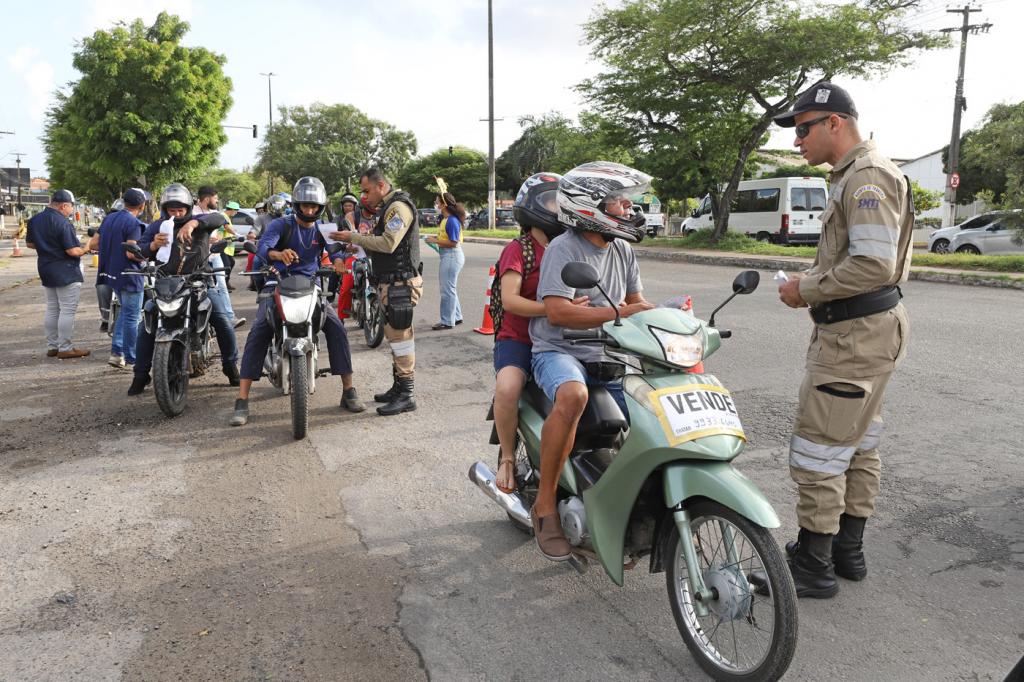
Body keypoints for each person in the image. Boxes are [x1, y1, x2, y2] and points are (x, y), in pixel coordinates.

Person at [773, 82, 913, 599]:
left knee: (821, 447)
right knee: (859, 442)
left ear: (836, 123)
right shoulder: (857, 173)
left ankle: (813, 563)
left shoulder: (867, 176)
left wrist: (804, 289)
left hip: (855, 335)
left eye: (803, 128)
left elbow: (872, 264)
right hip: (870, 330)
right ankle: (845, 550)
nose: (797, 141)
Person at [528, 161, 654, 561]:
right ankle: (545, 505)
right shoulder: (563, 249)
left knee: (655, 407)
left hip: (609, 351)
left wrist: (675, 318)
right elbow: (558, 313)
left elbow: (636, 303)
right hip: (559, 350)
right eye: (617, 201)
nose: (626, 209)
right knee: (573, 396)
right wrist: (616, 315)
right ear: (589, 205)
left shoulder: (623, 249)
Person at [229, 176, 365, 426]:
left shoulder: (323, 228)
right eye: (305, 206)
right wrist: (278, 253)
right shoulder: (281, 225)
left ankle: (349, 390)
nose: (310, 210)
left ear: (320, 207)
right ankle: (242, 399)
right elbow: (263, 247)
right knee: (259, 329)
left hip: (310, 284)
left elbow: (334, 250)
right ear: (296, 204)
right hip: (277, 282)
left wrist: (336, 261)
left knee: (336, 327)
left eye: (314, 207)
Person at [491, 172, 588, 494]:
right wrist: (554, 309)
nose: (559, 208)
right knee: (507, 388)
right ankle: (506, 457)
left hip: (564, 339)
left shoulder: (570, 248)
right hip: (519, 338)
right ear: (532, 207)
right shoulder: (519, 250)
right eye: (552, 201)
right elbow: (510, 300)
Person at [128, 183, 241, 395]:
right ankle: (141, 375)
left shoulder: (201, 222)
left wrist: (193, 224)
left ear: (189, 208)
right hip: (166, 285)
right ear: (164, 210)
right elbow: (138, 251)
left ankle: (230, 365)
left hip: (199, 282)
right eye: (172, 210)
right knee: (146, 325)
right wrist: (152, 246)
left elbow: (219, 219)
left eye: (181, 210)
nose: (177, 214)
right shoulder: (157, 227)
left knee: (223, 320)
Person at [332, 168, 423, 416]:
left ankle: (407, 394)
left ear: (381, 185)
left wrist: (356, 237)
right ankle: (398, 387)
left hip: (401, 284)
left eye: (366, 190)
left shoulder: (399, 207)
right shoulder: (388, 207)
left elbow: (388, 242)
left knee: (401, 338)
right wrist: (357, 245)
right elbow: (380, 241)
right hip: (391, 283)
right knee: (394, 335)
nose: (363, 197)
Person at [25, 189, 91, 359]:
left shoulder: (35, 220)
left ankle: (52, 346)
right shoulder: (62, 222)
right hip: (66, 270)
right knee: (67, 309)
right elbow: (72, 250)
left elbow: (30, 244)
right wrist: (87, 248)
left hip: (46, 267)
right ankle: (65, 347)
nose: (72, 210)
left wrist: (47, 246)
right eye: (71, 207)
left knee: (52, 308)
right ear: (63, 206)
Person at [89, 188, 147, 368]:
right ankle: (132, 358)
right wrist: (147, 256)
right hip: (129, 275)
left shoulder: (108, 218)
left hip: (111, 273)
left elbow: (95, 243)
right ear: (142, 205)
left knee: (125, 312)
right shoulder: (134, 224)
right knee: (132, 316)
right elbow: (131, 252)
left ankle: (117, 352)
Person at [424, 191, 465, 330]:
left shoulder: (452, 220)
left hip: (452, 255)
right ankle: (456, 316)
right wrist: (435, 241)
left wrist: (434, 240)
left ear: (444, 204)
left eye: (437, 202)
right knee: (450, 288)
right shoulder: (446, 219)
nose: (436, 204)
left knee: (447, 289)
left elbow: (453, 242)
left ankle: (447, 321)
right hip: (448, 255)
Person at [332, 193, 362, 320]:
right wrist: (344, 246)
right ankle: (330, 297)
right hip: (344, 251)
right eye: (346, 205)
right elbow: (332, 238)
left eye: (350, 205)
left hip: (360, 252)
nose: (348, 208)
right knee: (335, 272)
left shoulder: (361, 219)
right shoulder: (337, 220)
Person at [220, 200, 249, 291]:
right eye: (236, 211)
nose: (236, 213)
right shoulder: (222, 216)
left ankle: (226, 282)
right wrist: (237, 235)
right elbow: (226, 228)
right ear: (231, 209)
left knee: (231, 263)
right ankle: (222, 286)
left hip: (228, 247)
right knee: (226, 265)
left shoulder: (227, 217)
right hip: (222, 246)